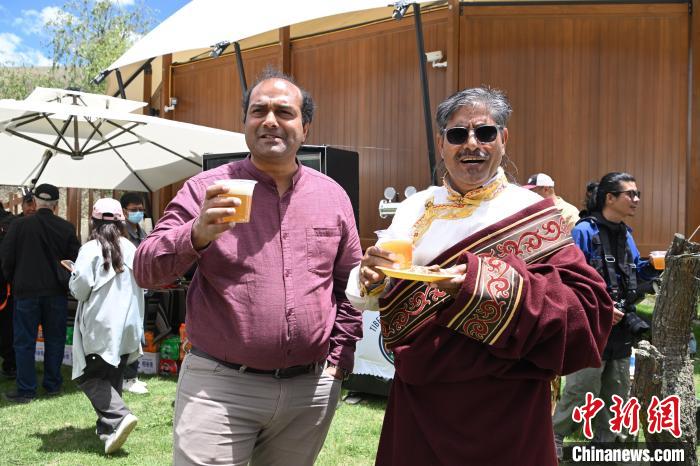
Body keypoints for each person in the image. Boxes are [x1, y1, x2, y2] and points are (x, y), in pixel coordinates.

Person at [345, 87, 613, 466]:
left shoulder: (531, 211)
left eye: (485, 132)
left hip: (508, 406)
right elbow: (376, 284)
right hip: (420, 399)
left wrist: (480, 284)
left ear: (503, 139)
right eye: (458, 134)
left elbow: (586, 310)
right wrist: (370, 277)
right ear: (441, 144)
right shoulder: (413, 208)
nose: (471, 144)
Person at [134, 68, 363, 465]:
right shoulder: (206, 190)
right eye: (259, 111)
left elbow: (351, 286)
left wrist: (339, 360)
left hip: (308, 391)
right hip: (219, 387)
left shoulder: (332, 197)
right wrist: (195, 233)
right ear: (244, 123)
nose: (270, 120)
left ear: (305, 127)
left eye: (284, 112)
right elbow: (145, 269)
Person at [552, 172, 657, 451]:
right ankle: (554, 441)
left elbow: (634, 273)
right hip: (591, 325)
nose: (636, 199)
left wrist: (654, 266)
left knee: (617, 392)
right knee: (581, 390)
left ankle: (605, 446)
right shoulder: (583, 232)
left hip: (621, 328)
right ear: (610, 198)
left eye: (637, 194)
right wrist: (601, 308)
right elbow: (569, 280)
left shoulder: (626, 233)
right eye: (630, 194)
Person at [69, 198, 143, 454]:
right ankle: (108, 429)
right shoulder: (131, 247)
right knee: (112, 375)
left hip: (102, 325)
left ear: (93, 222)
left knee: (88, 376)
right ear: (122, 221)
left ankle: (119, 417)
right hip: (129, 324)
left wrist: (73, 275)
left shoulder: (90, 249)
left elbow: (80, 290)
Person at [0, 183, 80, 403]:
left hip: (25, 291)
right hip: (56, 292)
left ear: (34, 201)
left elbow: (6, 258)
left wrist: (14, 279)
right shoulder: (66, 228)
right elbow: (75, 262)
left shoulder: (19, 226)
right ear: (56, 205)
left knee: (24, 341)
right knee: (55, 339)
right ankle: (53, 385)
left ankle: (26, 389)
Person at [119, 191, 148, 395]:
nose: (138, 213)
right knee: (128, 333)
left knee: (137, 331)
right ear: (123, 211)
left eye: (141, 210)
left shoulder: (142, 231)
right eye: (134, 210)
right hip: (125, 290)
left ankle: (132, 375)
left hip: (140, 288)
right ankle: (127, 377)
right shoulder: (121, 233)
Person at [0, 203, 16, 379]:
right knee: (7, 327)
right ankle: (10, 364)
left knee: (6, 327)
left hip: (6, 285)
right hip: (7, 284)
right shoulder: (12, 222)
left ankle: (10, 364)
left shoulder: (10, 223)